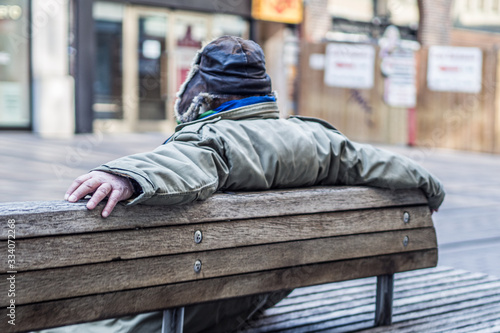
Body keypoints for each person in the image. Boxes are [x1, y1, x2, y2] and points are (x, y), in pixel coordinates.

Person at [62, 36, 444, 332]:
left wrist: (126, 176)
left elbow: (192, 160)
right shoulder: (317, 139)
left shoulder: (218, 139)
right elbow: (376, 162)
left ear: (204, 93)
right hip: (252, 296)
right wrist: (430, 188)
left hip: (185, 308)